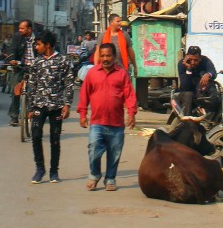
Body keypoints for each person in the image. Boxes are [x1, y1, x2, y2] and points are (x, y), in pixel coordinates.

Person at [78, 42, 137, 191]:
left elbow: (129, 94)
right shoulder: (92, 73)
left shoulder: (121, 73)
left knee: (114, 153)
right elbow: (84, 94)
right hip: (97, 122)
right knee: (93, 149)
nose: (105, 59)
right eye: (102, 55)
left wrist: (131, 113)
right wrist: (83, 114)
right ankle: (94, 175)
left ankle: (110, 179)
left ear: (114, 56)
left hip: (116, 123)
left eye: (108, 55)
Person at [24, 30, 74, 184]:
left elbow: (69, 83)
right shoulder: (36, 63)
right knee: (36, 136)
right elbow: (32, 85)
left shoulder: (63, 61)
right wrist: (31, 108)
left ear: (48, 45)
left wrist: (67, 104)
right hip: (39, 105)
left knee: (55, 139)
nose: (36, 47)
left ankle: (54, 171)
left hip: (57, 106)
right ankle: (40, 169)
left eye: (38, 44)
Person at [7, 19, 36, 127]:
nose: (20, 30)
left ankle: (36, 112)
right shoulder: (17, 37)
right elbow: (12, 50)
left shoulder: (37, 39)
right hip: (20, 66)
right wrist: (13, 60)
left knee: (39, 91)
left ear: (29, 29)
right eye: (19, 28)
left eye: (22, 28)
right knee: (16, 90)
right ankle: (14, 116)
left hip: (35, 67)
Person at [175, 45, 218, 117]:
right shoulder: (182, 64)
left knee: (216, 96)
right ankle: (186, 121)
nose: (192, 62)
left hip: (201, 91)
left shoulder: (206, 61)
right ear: (186, 57)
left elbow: (213, 72)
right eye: (190, 60)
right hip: (187, 92)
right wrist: (189, 69)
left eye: (196, 60)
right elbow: (185, 87)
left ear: (200, 58)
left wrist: (208, 74)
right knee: (188, 95)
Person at [93, 14, 138, 79]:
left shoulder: (124, 34)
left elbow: (130, 51)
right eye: (118, 21)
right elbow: (97, 51)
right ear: (111, 23)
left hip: (122, 69)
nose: (120, 23)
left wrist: (135, 66)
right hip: (106, 70)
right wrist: (95, 68)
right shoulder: (103, 35)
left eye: (120, 21)